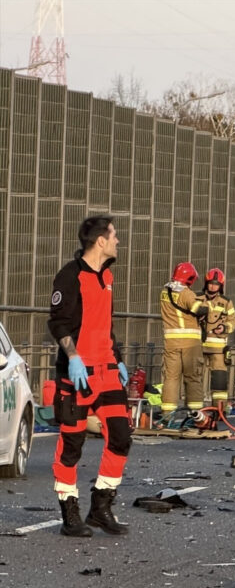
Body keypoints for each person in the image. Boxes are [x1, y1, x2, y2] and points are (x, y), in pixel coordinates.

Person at [48, 215, 131, 537]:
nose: (117, 241)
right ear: (100, 241)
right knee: (72, 444)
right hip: (78, 375)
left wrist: (119, 359)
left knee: (121, 437)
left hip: (108, 373)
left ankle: (101, 506)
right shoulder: (70, 277)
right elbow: (58, 323)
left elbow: (104, 325)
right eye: (114, 236)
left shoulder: (107, 277)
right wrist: (73, 358)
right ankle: (70, 512)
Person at [159, 262, 208, 424]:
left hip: (171, 342)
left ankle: (167, 415)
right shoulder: (186, 293)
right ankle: (196, 417)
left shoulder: (165, 291)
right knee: (193, 378)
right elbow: (198, 310)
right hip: (190, 344)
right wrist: (206, 307)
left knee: (171, 378)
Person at [198, 268, 235, 413]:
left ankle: (220, 410)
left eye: (216, 284)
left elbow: (233, 320)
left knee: (219, 381)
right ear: (206, 283)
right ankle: (195, 410)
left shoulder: (226, 302)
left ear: (221, 285)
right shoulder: (197, 298)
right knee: (196, 379)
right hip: (199, 347)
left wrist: (224, 327)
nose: (213, 286)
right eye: (211, 283)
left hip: (218, 349)